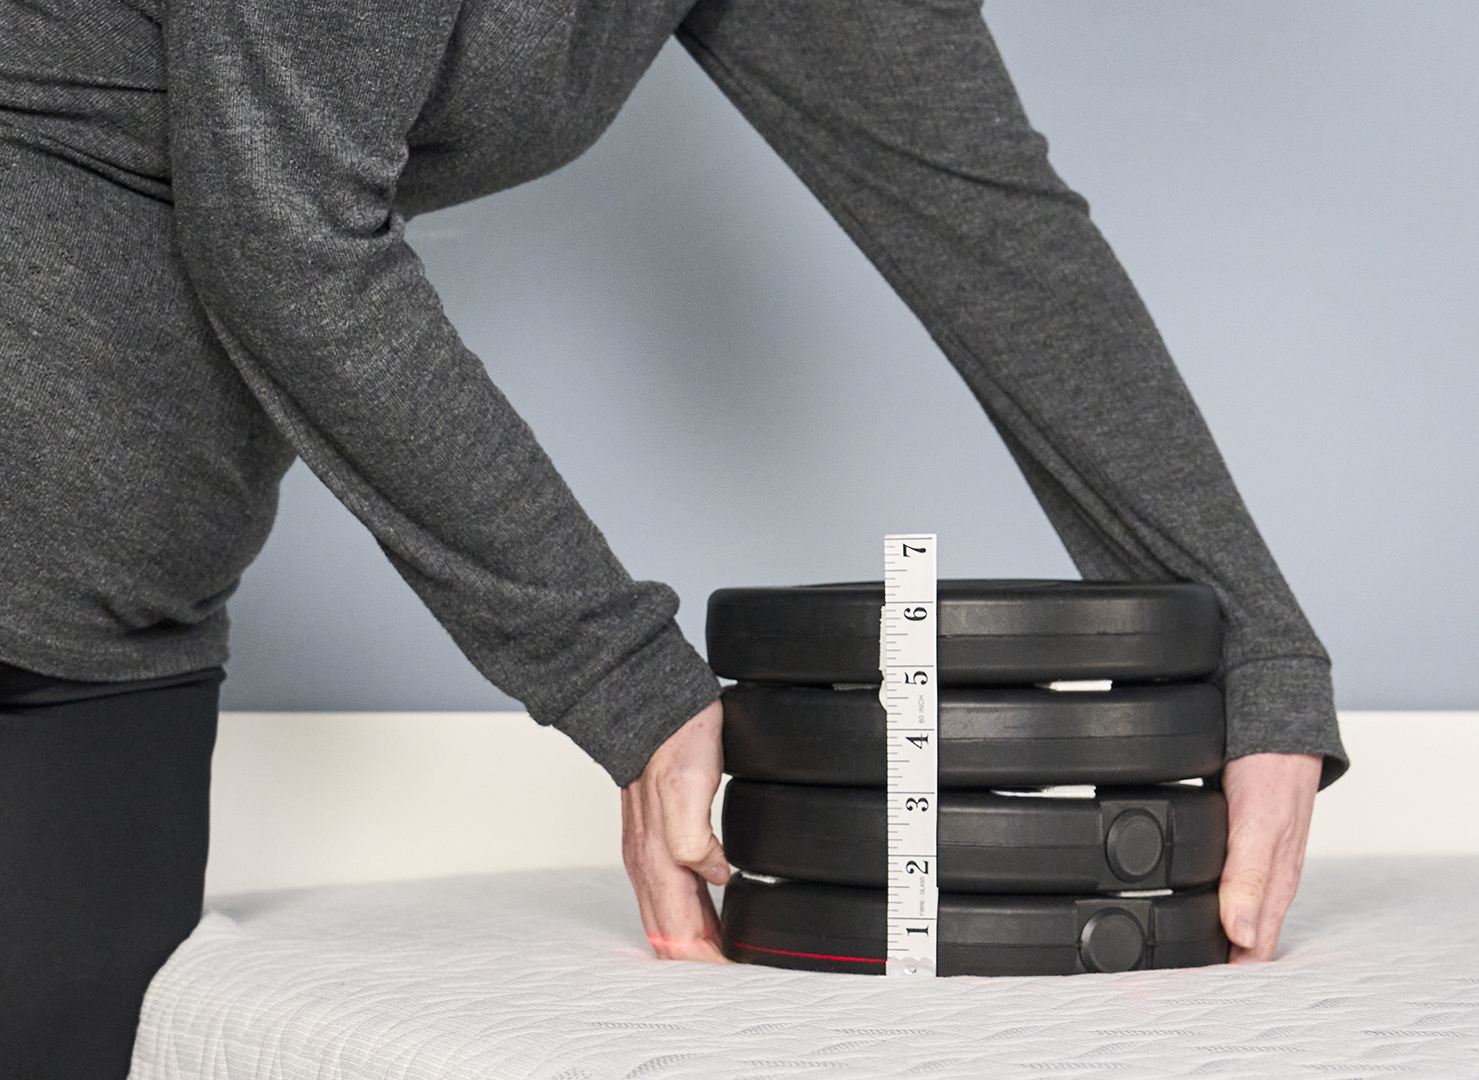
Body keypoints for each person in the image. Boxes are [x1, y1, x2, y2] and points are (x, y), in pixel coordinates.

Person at [0, 0, 1349, 1073]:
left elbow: (983, 216)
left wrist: (1256, 654)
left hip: (121, 607)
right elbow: (286, 242)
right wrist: (627, 683)